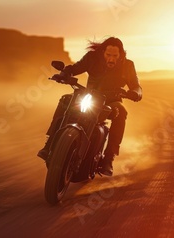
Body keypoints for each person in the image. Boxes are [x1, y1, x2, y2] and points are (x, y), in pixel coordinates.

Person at [38, 37, 142, 176]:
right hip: (89, 95)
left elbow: (136, 86)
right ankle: (49, 144)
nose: (111, 59)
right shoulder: (92, 58)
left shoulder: (127, 65)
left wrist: (134, 93)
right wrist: (65, 73)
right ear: (102, 52)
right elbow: (76, 68)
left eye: (115, 56)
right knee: (66, 100)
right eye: (108, 55)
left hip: (111, 100)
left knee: (121, 112)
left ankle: (108, 159)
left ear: (121, 55)